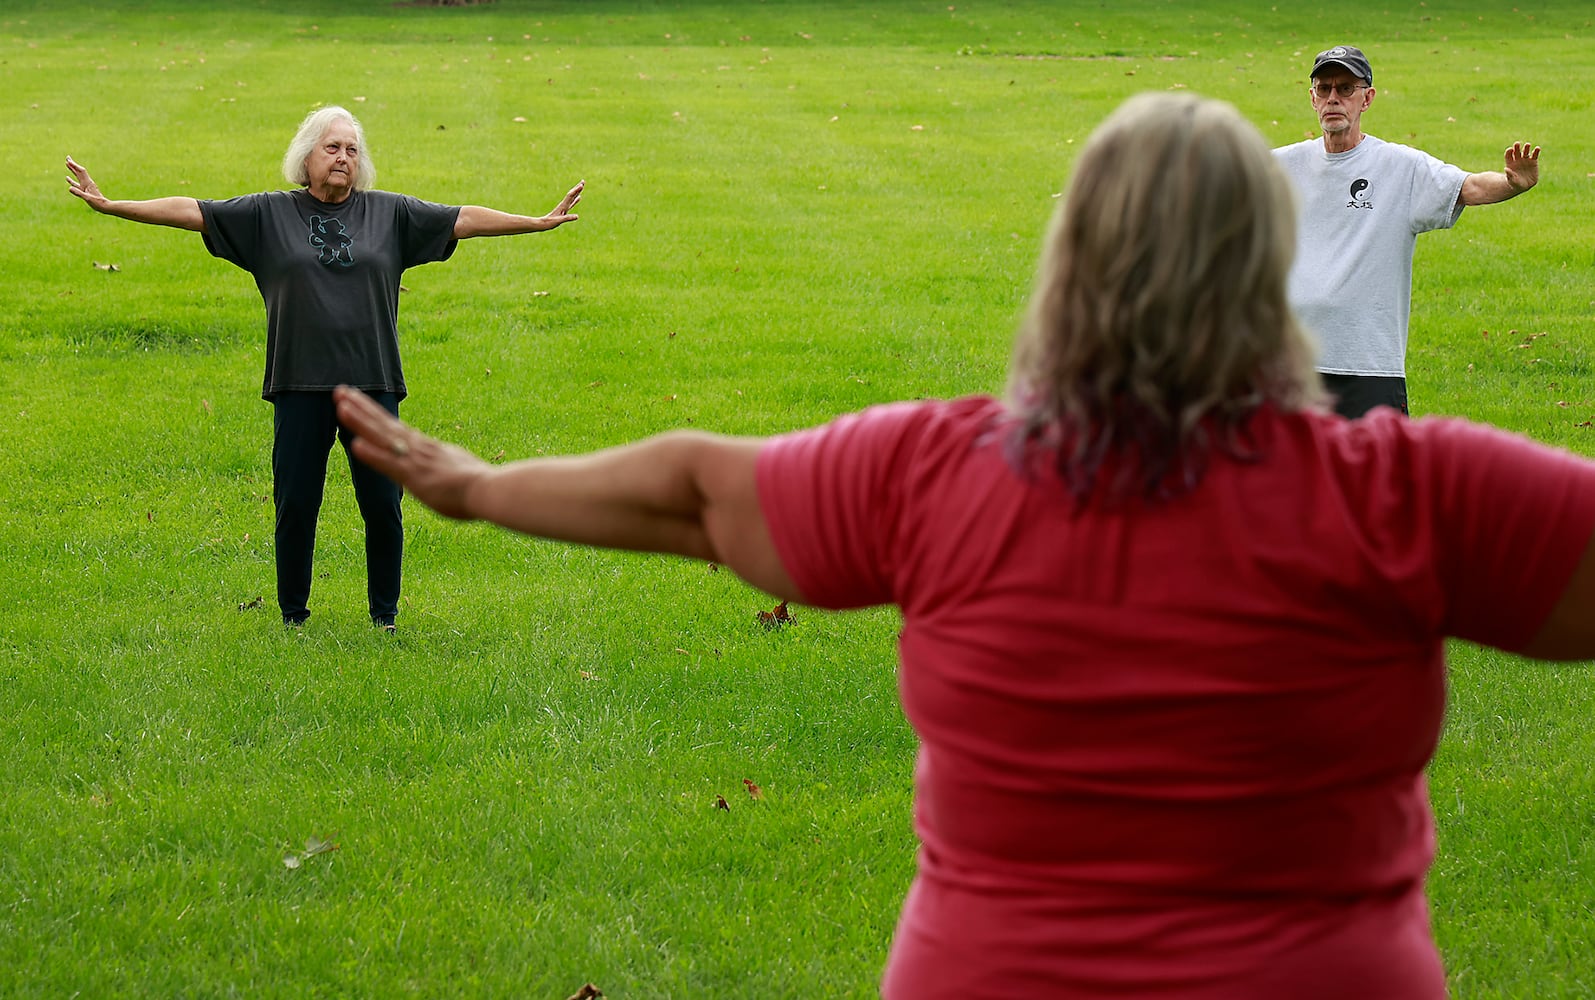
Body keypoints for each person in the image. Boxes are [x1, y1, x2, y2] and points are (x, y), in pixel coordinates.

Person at [333, 92, 1595, 998]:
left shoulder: (943, 472)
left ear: (1071, 262)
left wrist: (486, 488)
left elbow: (696, 494)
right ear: (1267, 265)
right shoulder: (1401, 492)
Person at [66, 105, 584, 631]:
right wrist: (111, 206)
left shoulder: (391, 214)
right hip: (299, 383)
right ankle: (294, 615)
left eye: (352, 150)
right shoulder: (267, 215)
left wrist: (536, 223)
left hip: (372, 382)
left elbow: (463, 219)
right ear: (306, 157)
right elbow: (193, 211)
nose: (343, 158)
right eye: (332, 148)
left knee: (383, 504)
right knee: (296, 504)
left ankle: (385, 616)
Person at [1273, 44, 1541, 418]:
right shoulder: (1280, 166)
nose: (1334, 98)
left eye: (1346, 89)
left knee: (1377, 477)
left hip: (1369, 367)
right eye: (1324, 88)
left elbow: (1470, 188)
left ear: (1367, 99)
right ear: (1312, 98)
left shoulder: (1400, 167)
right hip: (1291, 367)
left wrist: (1513, 184)